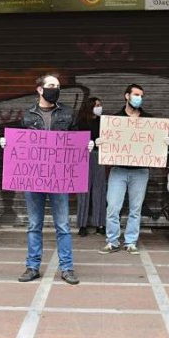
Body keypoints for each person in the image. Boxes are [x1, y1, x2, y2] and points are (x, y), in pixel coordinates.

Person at [0, 74, 89, 285]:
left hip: (59, 178)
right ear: (40, 89)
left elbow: (76, 141)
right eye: (51, 86)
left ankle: (67, 268)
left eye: (57, 86)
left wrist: (87, 146)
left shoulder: (69, 114)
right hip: (33, 178)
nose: (55, 89)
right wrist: (8, 144)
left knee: (63, 225)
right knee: (34, 224)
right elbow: (20, 145)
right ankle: (32, 267)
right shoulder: (27, 116)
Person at [98, 84, 168, 255]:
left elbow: (156, 144)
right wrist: (101, 143)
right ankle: (112, 241)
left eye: (141, 95)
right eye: (136, 94)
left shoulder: (149, 121)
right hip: (119, 170)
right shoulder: (114, 120)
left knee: (135, 209)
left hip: (140, 171)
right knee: (113, 207)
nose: (139, 98)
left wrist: (164, 142)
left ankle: (130, 242)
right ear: (126, 96)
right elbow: (107, 143)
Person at [73, 96, 106, 237]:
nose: (99, 107)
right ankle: (82, 224)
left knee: (100, 190)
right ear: (90, 106)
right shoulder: (81, 122)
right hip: (84, 157)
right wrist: (86, 143)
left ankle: (100, 223)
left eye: (100, 104)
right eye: (96, 105)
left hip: (99, 156)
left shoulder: (104, 122)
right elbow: (74, 140)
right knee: (83, 191)